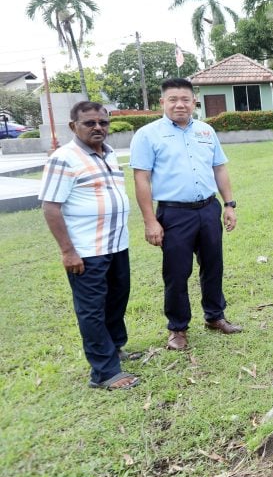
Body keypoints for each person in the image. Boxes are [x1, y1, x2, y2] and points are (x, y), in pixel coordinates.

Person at [130, 78, 242, 351]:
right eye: (173, 99)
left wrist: (228, 204)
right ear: (162, 103)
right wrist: (150, 221)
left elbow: (220, 168)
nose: (179, 104)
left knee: (213, 265)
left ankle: (215, 316)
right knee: (177, 272)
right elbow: (141, 179)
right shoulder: (147, 135)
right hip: (174, 214)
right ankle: (177, 328)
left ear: (194, 102)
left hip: (208, 209)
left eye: (185, 99)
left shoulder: (206, 131)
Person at [40, 101, 138, 390]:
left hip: (117, 245)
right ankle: (104, 372)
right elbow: (51, 207)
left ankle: (116, 348)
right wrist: (68, 251)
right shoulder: (64, 158)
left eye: (102, 122)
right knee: (92, 310)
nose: (98, 127)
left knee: (116, 301)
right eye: (89, 123)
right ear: (73, 126)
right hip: (86, 251)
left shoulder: (108, 155)